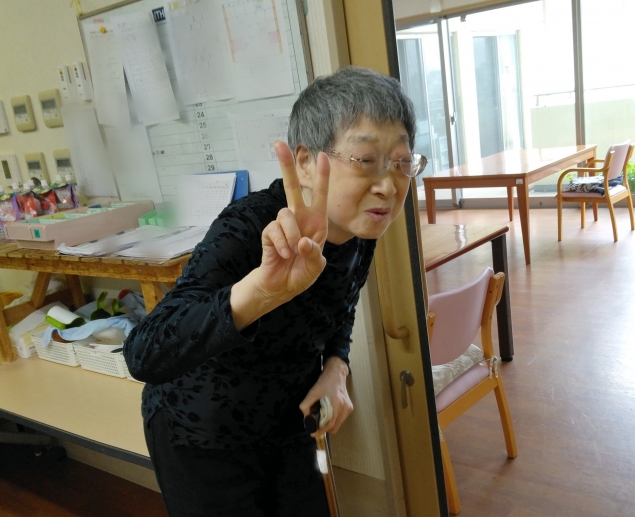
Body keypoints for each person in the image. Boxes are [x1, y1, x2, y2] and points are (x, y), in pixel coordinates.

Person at [123, 66, 424, 517]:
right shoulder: (249, 226)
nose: (387, 185)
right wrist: (260, 292)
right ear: (305, 163)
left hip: (285, 420)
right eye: (365, 160)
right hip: (203, 431)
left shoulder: (360, 230)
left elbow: (339, 309)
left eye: (401, 162)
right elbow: (144, 353)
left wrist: (336, 366)